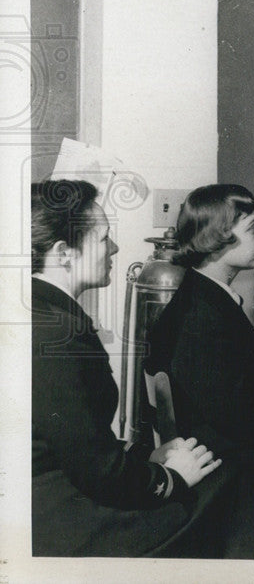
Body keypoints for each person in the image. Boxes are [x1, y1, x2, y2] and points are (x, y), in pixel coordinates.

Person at [31, 179, 222, 556]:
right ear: (63, 253)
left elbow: (73, 441)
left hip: (49, 499)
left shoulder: (40, 311)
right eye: (103, 238)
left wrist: (142, 457)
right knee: (216, 497)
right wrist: (170, 477)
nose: (114, 247)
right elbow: (97, 471)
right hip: (58, 518)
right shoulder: (57, 333)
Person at [147, 183, 254, 558]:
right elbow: (236, 418)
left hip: (223, 452)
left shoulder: (202, 298)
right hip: (229, 470)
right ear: (219, 237)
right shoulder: (201, 316)